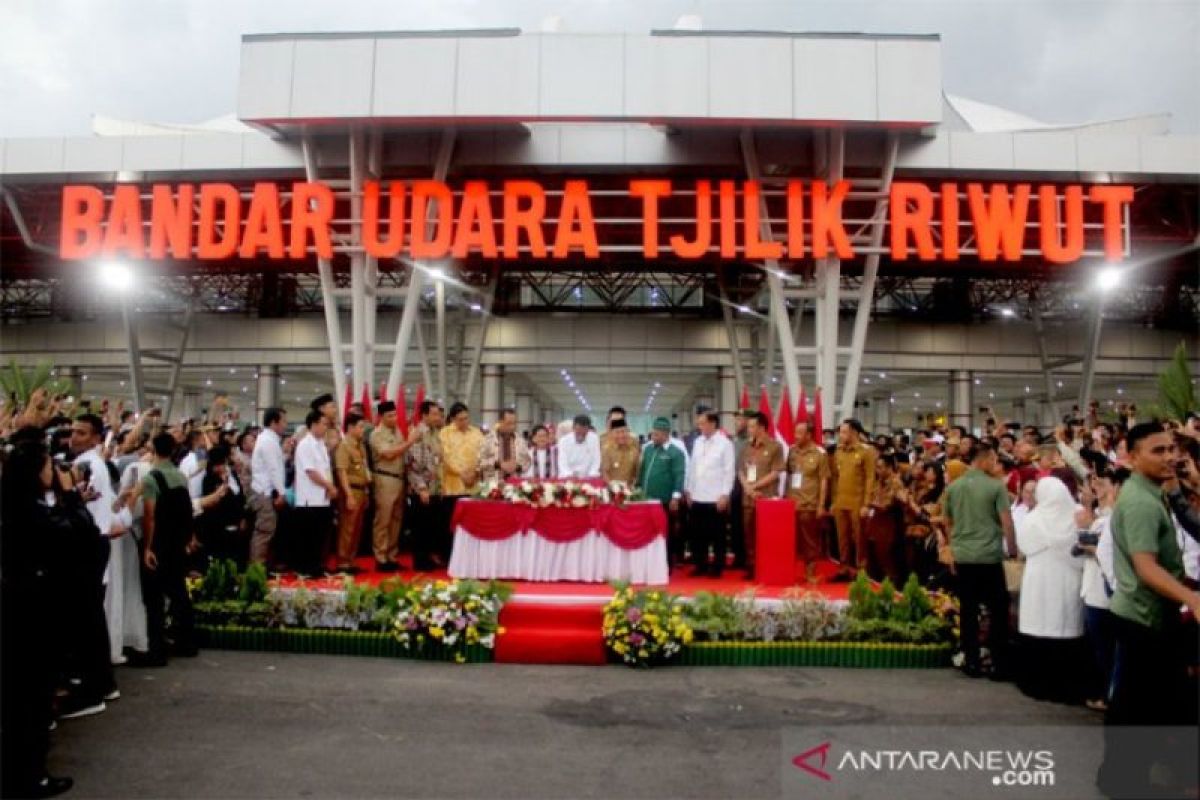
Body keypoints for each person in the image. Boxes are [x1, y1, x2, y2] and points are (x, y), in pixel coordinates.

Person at [1097, 422, 1200, 799]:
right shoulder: (1141, 501)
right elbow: (1147, 567)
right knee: (1137, 706)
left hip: (1146, 614)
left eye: (1172, 448)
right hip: (1144, 616)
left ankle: (1121, 777)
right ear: (1131, 457)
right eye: (1158, 451)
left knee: (1142, 702)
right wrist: (1191, 598)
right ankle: (1123, 780)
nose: (1170, 456)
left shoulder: (1153, 493)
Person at [1, 437, 76, 798]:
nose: (54, 471)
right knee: (32, 699)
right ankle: (31, 776)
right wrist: (69, 498)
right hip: (34, 613)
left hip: (18, 610)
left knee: (19, 698)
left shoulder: (11, 506)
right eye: (48, 466)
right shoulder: (34, 513)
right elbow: (76, 541)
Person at [942, 442, 1016, 679]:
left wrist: (954, 549)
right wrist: (1012, 550)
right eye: (993, 460)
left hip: (963, 555)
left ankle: (971, 660)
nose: (995, 464)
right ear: (983, 460)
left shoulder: (954, 488)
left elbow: (947, 522)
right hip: (989, 556)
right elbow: (1006, 522)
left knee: (968, 609)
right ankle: (998, 662)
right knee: (997, 609)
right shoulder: (996, 487)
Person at [69, 413, 134, 675]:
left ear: (96, 437)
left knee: (89, 613)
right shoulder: (88, 462)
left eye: (81, 433)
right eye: (73, 431)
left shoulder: (90, 466)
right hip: (95, 540)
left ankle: (94, 677)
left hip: (90, 542)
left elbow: (94, 512)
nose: (74, 436)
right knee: (92, 612)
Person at [1015, 476, 1087, 704]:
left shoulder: (1034, 518)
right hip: (1067, 578)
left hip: (1040, 579)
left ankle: (1037, 684)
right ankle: (1066, 686)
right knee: (1064, 622)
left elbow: (1024, 546)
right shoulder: (1077, 515)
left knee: (1040, 624)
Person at [140, 431, 199, 664]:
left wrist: (147, 547)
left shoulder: (151, 479)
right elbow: (187, 510)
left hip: (160, 542)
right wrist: (189, 536)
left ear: (153, 450)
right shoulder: (181, 477)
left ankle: (157, 650)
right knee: (179, 593)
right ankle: (187, 642)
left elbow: (149, 516)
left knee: (154, 598)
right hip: (178, 542)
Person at [685, 409, 734, 576]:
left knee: (717, 534)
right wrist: (689, 490)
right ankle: (700, 565)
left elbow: (729, 471)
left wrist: (725, 494)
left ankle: (717, 567)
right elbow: (692, 467)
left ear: (713, 424)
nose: (700, 427)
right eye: (699, 424)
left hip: (715, 497)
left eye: (702, 423)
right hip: (697, 495)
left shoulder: (725, 443)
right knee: (698, 534)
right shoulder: (698, 441)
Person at [368, 401, 416, 572]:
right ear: (381, 417)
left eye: (395, 415)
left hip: (399, 479)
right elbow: (388, 454)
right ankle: (380, 557)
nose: (394, 418)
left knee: (396, 521)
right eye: (390, 416)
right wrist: (409, 442)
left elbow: (402, 456)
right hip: (384, 478)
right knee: (383, 520)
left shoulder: (397, 431)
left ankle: (391, 556)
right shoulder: (376, 434)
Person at [737, 411, 785, 579]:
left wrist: (756, 486)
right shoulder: (745, 447)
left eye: (751, 426)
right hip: (748, 498)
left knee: (765, 535)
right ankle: (751, 566)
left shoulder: (775, 447)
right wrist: (748, 488)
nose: (748, 429)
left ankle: (766, 565)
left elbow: (776, 472)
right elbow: (741, 471)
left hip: (766, 499)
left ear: (761, 427)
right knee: (748, 533)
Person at [830, 419, 877, 580]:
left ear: (854, 433)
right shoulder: (839, 451)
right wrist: (834, 500)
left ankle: (861, 570)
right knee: (842, 538)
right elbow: (836, 478)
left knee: (859, 537)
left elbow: (870, 478)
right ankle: (844, 568)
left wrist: (867, 503)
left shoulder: (866, 451)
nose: (841, 435)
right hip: (841, 501)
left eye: (844, 432)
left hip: (858, 502)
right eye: (840, 432)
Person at [292, 410, 337, 576]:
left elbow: (325, 469)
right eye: (324, 424)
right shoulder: (305, 445)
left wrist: (330, 486)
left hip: (322, 498)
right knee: (308, 537)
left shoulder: (321, 445)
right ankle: (306, 569)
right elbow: (311, 472)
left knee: (320, 536)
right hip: (309, 499)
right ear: (314, 424)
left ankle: (317, 566)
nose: (326, 427)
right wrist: (329, 486)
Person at [637, 417, 687, 565]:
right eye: (653, 434)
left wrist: (675, 497)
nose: (653, 437)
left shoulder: (676, 452)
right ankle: (649, 562)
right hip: (647, 500)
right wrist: (638, 489)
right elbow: (643, 471)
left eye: (657, 434)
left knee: (667, 532)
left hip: (665, 501)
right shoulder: (648, 449)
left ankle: (667, 563)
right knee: (648, 531)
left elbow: (679, 475)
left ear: (666, 435)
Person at [786, 420, 830, 584]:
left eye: (799, 433)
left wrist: (821, 505)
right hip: (791, 504)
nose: (796, 436)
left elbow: (824, 480)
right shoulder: (791, 451)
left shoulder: (820, 453)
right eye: (795, 432)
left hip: (809, 504)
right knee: (791, 542)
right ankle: (790, 573)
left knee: (810, 541)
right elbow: (788, 475)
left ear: (809, 435)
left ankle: (810, 573)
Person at [406, 401, 446, 570]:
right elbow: (413, 464)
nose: (438, 417)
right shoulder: (418, 433)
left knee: (432, 525)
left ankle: (428, 557)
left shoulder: (436, 433)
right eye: (434, 414)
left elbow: (439, 460)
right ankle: (420, 560)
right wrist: (421, 487)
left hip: (435, 485)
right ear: (424, 415)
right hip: (422, 487)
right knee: (421, 525)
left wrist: (441, 484)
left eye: (439, 414)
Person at [249, 407, 288, 567]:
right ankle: (257, 568)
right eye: (283, 421)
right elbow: (273, 470)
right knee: (264, 531)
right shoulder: (267, 441)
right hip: (264, 492)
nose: (285, 425)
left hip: (265, 490)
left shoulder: (269, 440)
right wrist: (282, 493)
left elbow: (275, 466)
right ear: (274, 422)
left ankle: (263, 565)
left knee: (268, 531)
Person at [333, 412, 371, 574]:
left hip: (362, 490)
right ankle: (342, 562)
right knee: (347, 528)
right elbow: (341, 472)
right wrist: (348, 495)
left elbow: (365, 470)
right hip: (351, 491)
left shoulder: (360, 446)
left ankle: (351, 560)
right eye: (360, 427)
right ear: (350, 428)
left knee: (357, 528)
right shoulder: (344, 446)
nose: (363, 430)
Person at [197, 445, 245, 567]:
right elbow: (213, 502)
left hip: (235, 522)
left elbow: (240, 496)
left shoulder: (232, 475)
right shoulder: (209, 480)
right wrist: (223, 486)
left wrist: (242, 517)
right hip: (218, 527)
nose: (221, 468)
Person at [865, 453, 904, 583]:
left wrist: (869, 503)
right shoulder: (878, 482)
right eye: (876, 467)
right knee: (875, 556)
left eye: (880, 467)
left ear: (889, 467)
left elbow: (887, 505)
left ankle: (892, 584)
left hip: (889, 525)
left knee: (887, 557)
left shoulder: (896, 483)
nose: (878, 471)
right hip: (876, 524)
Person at [478, 408, 531, 482]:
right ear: (500, 422)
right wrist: (498, 464)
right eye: (509, 423)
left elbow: (527, 461)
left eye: (514, 423)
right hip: (493, 485)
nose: (513, 427)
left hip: (515, 485)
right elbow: (480, 462)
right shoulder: (488, 440)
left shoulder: (521, 441)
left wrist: (517, 467)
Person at [558, 414, 601, 478]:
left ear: (588, 430)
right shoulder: (564, 441)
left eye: (584, 433)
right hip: (568, 477)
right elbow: (562, 463)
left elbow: (596, 459)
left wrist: (592, 474)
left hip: (588, 476)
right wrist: (569, 474)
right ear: (573, 428)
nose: (581, 435)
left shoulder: (594, 438)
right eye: (578, 432)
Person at [600, 419, 640, 485]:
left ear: (628, 432)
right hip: (611, 489)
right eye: (617, 432)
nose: (621, 435)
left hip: (629, 490)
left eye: (624, 431)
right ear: (612, 434)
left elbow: (636, 473)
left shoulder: (634, 450)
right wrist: (613, 487)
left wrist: (632, 486)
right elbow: (604, 472)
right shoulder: (607, 449)